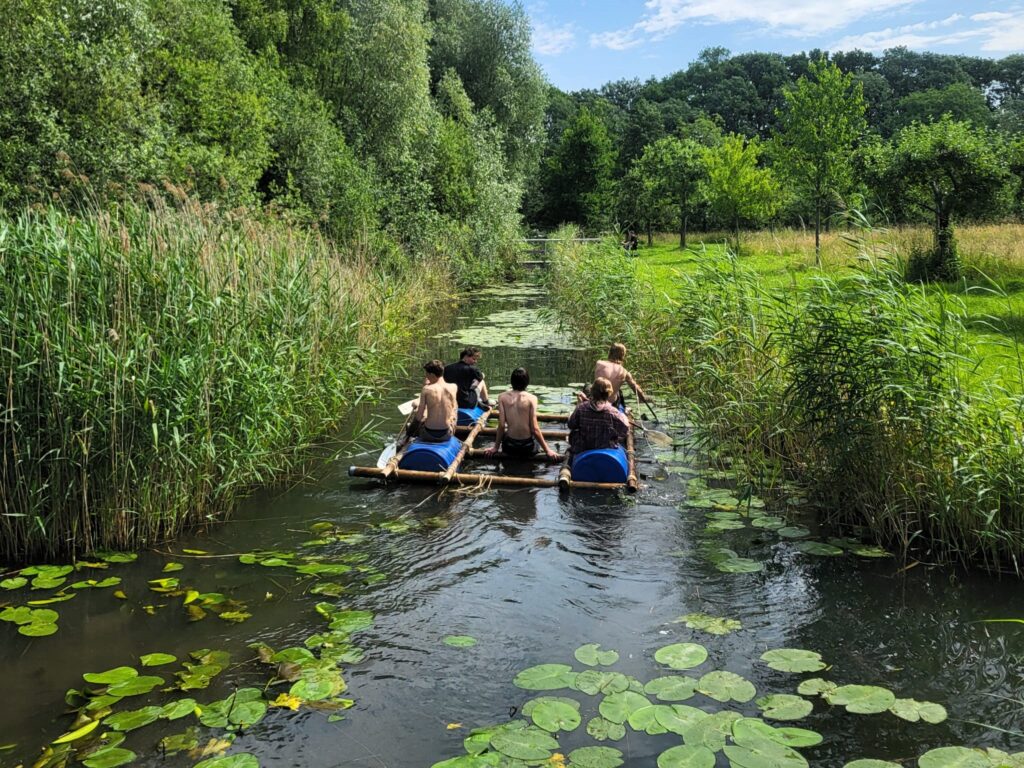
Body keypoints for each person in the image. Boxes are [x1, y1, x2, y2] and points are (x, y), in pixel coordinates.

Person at [484, 367, 559, 461]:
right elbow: (534, 429)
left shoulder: (502, 397)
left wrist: (495, 447)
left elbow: (502, 425)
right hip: (527, 447)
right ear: (527, 382)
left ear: (512, 381)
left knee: (507, 437)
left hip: (510, 446)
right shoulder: (532, 398)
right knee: (536, 442)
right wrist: (547, 450)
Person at [567, 377, 629, 458]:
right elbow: (625, 429)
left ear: (592, 391)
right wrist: (624, 417)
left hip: (584, 448)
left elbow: (571, 424)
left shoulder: (581, 407)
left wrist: (578, 405)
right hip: (607, 448)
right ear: (608, 393)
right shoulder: (612, 411)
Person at [412, 360, 457, 442]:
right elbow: (453, 408)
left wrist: (411, 429)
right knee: (454, 410)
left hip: (428, 434)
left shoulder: (426, 389)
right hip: (446, 435)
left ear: (432, 374)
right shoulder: (453, 387)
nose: (426, 377)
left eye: (427, 374)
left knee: (419, 412)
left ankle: (406, 439)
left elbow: (419, 416)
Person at [594, 343, 649, 410]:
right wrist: (643, 398)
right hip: (612, 404)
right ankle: (623, 411)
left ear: (610, 353)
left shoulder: (599, 363)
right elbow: (636, 389)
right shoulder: (624, 372)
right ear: (622, 356)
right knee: (619, 392)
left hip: (596, 400)